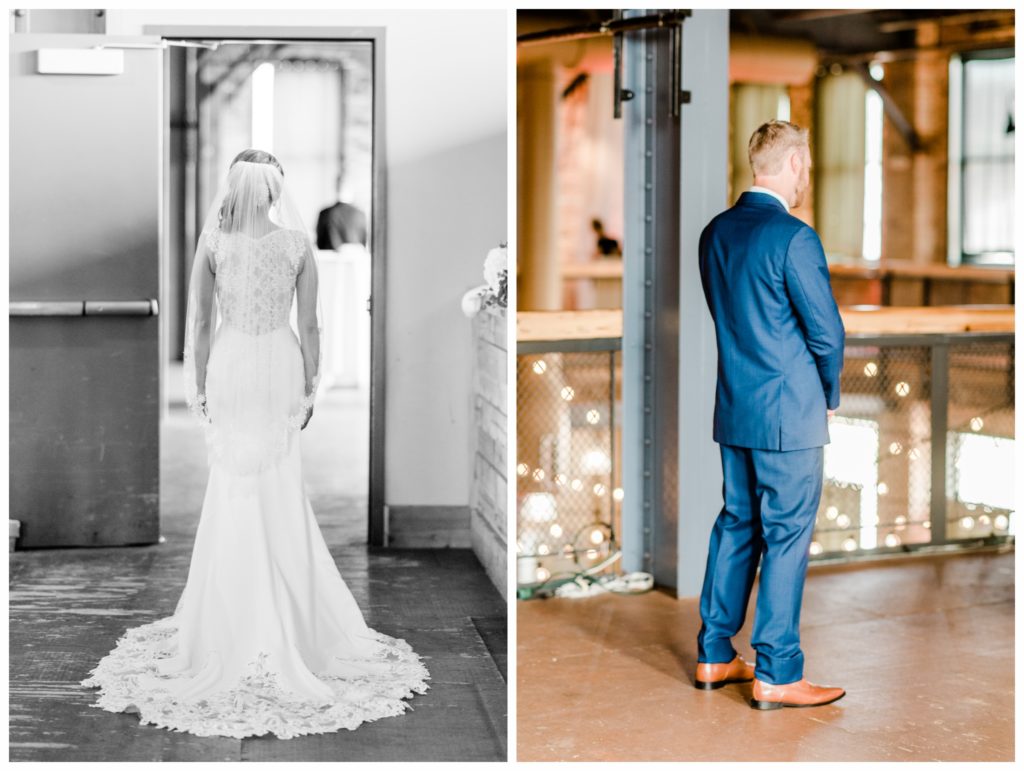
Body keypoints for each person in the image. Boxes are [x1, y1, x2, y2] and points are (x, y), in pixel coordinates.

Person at [81, 150, 428, 739]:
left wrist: (196, 384)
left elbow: (197, 323)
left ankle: (231, 615)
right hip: (280, 364)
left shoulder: (214, 242)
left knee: (233, 482)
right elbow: (312, 324)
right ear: (275, 192)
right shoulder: (297, 244)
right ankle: (289, 616)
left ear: (234, 190)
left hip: (234, 362)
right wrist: (312, 384)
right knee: (279, 480)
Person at [694, 120, 846, 710]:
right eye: (804, 165)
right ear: (793, 164)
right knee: (786, 536)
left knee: (736, 524)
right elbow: (826, 333)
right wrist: (827, 396)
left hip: (735, 404)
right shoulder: (794, 237)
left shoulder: (716, 233)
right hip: (790, 412)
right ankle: (778, 671)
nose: (806, 174)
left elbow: (727, 317)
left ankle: (714, 654)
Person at [316, 173, 368, 250]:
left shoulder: (324, 213)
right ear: (352, 188)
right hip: (355, 260)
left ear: (336, 187)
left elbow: (320, 244)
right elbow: (364, 243)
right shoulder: (361, 214)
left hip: (329, 260)